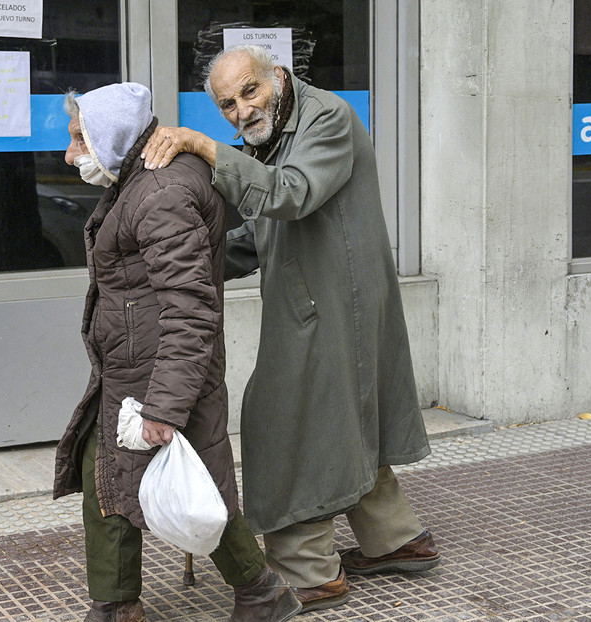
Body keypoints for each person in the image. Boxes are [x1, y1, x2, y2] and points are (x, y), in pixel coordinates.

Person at [140, 45, 441, 613]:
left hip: (337, 301)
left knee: (289, 421)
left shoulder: (327, 116)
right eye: (226, 105)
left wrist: (205, 147)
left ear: (277, 77)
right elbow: (259, 234)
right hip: (318, 297)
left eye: (248, 92)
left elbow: (289, 194)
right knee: (344, 415)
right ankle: (396, 539)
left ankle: (306, 570)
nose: (240, 111)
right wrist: (178, 264)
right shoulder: (275, 131)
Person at [51, 82, 302, 622]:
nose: (70, 154)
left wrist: (165, 406)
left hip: (161, 372)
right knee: (112, 470)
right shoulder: (138, 180)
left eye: (79, 140)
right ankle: (118, 604)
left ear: (113, 137)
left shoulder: (159, 191)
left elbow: (190, 309)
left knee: (195, 484)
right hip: (135, 368)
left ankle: (260, 590)